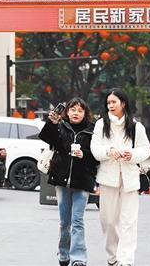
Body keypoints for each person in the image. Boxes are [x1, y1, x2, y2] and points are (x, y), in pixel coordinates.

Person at [90, 89, 150, 266]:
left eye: (114, 102)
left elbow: (145, 150)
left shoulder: (136, 126)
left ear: (123, 103)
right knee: (108, 221)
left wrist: (132, 155)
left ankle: (126, 259)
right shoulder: (101, 125)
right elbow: (95, 149)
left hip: (130, 179)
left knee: (129, 221)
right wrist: (109, 151)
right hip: (107, 179)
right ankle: (113, 257)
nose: (110, 105)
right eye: (108, 102)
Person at [39, 98, 99, 266]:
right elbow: (46, 137)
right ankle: (64, 254)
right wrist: (51, 123)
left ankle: (78, 258)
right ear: (67, 112)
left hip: (83, 180)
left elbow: (97, 157)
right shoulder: (61, 126)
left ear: (85, 113)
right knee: (65, 222)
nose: (76, 113)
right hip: (61, 179)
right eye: (73, 110)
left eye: (80, 110)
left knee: (77, 221)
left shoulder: (93, 130)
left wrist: (84, 154)